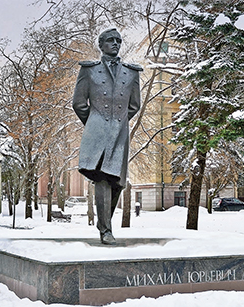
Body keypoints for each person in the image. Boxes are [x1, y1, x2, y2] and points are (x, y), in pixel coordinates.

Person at [72, 28, 142, 245]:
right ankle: (106, 230)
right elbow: (78, 103)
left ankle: (104, 223)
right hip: (97, 132)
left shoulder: (131, 73)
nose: (115, 44)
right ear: (101, 44)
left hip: (119, 132)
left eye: (118, 41)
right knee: (101, 177)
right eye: (110, 40)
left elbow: (134, 105)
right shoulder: (89, 70)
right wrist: (95, 123)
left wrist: (117, 121)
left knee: (118, 182)